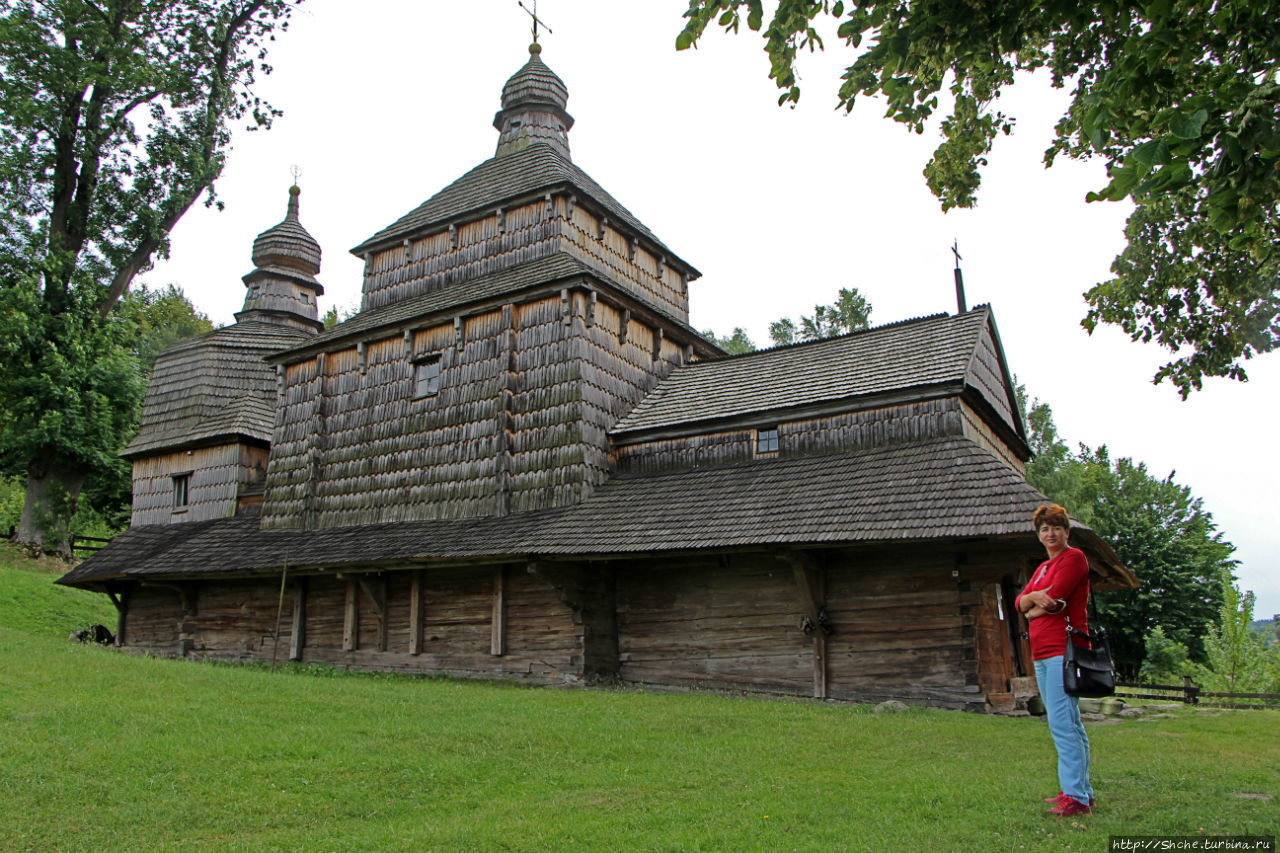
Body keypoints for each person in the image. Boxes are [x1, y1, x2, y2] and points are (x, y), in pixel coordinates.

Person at [1015, 502, 1095, 817]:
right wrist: (1031, 599)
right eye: (1044, 529)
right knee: (1067, 722)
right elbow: (1021, 602)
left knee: (1063, 723)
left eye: (1056, 528)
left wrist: (1032, 604)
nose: (1050, 534)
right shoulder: (1043, 568)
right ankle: (1080, 792)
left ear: (1066, 531)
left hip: (1065, 649)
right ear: (1038, 534)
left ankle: (1076, 798)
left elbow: (1054, 603)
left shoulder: (1073, 559)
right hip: (1043, 653)